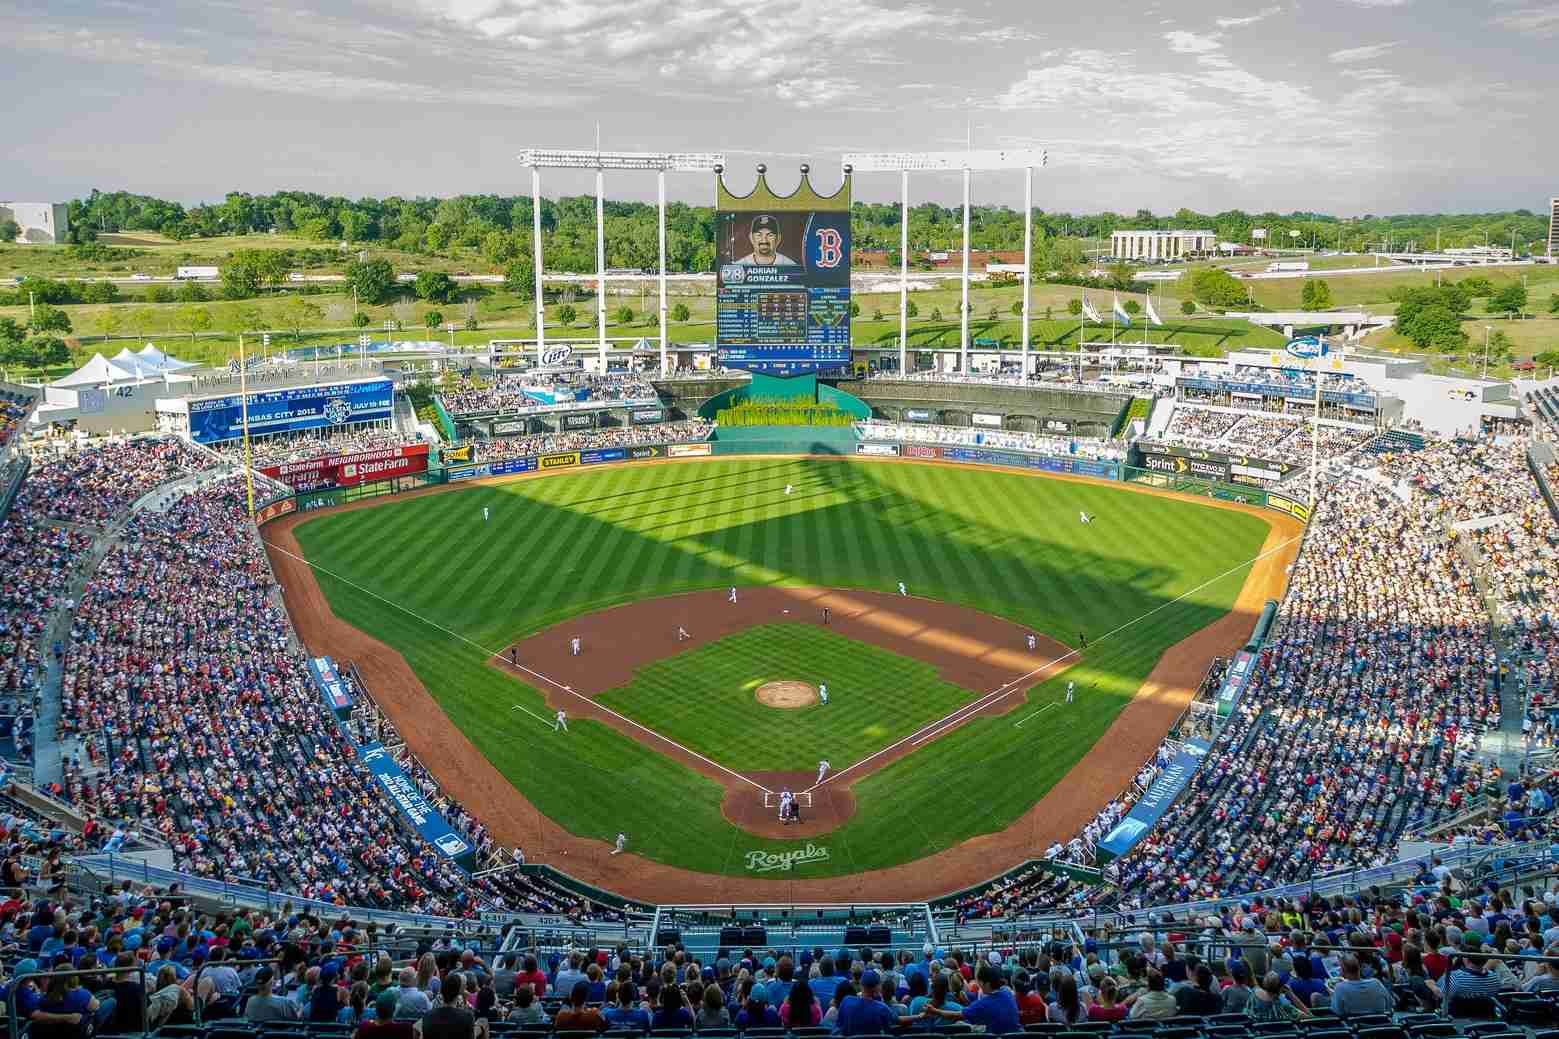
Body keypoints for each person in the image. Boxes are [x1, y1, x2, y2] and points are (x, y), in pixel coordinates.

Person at [922, 965, 1019, 1033]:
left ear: (987, 984)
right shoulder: (1008, 993)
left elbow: (955, 1016)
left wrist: (934, 1011)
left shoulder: (983, 1004)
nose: (979, 985)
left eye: (980, 982)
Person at [838, 970, 902, 1035]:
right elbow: (897, 1021)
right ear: (877, 987)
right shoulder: (882, 1008)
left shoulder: (846, 1001)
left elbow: (839, 1026)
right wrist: (913, 1017)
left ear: (861, 984)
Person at [422, 973, 484, 1039]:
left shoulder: (427, 1016)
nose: (466, 987)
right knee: (483, 1023)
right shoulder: (467, 1017)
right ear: (459, 991)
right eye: (464, 985)